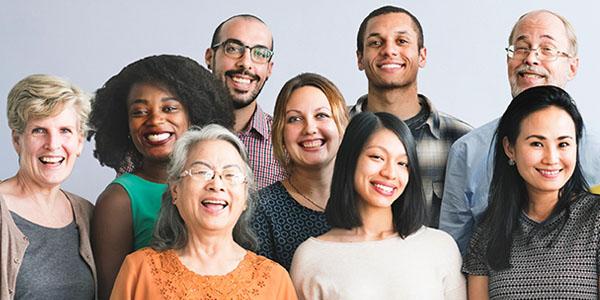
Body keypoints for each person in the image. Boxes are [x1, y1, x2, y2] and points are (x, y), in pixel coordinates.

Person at [439, 9, 600, 254]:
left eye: (547, 49)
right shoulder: (467, 151)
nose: (531, 59)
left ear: (573, 67)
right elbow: (454, 255)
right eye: (521, 48)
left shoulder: (597, 151)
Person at [88, 55, 234, 299]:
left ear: (193, 114)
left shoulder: (220, 189)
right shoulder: (120, 200)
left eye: (169, 108)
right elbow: (111, 293)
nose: (155, 120)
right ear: (124, 123)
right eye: (139, 111)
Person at [290, 112, 465, 299]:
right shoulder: (311, 257)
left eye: (402, 163)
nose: (390, 173)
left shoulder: (439, 246)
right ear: (350, 159)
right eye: (377, 157)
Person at [110, 124, 297, 299]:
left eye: (231, 175)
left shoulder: (275, 281)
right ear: (176, 191)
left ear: (245, 199)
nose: (217, 184)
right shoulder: (138, 270)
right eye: (201, 172)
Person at [463, 86, 600, 298]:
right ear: (510, 148)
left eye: (563, 144)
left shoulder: (596, 219)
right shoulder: (487, 233)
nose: (551, 158)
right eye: (537, 143)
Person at [350, 6, 471, 227]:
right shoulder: (334, 130)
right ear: (360, 58)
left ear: (422, 55)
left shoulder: (461, 141)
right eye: (376, 43)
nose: (389, 51)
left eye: (402, 41)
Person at [0, 74, 95, 299]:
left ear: (79, 142)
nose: (53, 145)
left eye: (65, 131)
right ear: (17, 140)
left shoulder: (87, 213)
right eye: (39, 130)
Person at [251, 73, 349, 270]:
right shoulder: (260, 211)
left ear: (342, 125)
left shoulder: (369, 200)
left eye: (321, 115)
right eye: (295, 119)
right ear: (280, 132)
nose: (310, 128)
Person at [205, 14, 286, 189]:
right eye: (233, 48)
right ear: (209, 57)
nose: (246, 63)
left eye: (260, 53)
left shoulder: (286, 144)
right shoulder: (176, 132)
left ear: (269, 69)